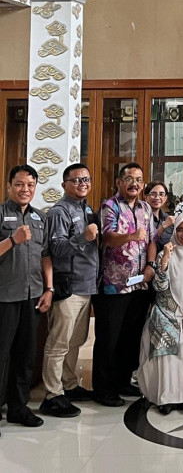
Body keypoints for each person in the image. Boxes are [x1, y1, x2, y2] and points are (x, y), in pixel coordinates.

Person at [93, 162, 157, 407]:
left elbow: (152, 240)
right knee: (109, 338)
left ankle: (122, 381)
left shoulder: (145, 207)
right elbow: (107, 238)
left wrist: (150, 265)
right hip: (114, 285)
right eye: (129, 179)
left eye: (138, 180)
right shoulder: (109, 206)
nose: (134, 183)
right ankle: (103, 389)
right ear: (119, 182)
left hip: (140, 284)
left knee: (131, 337)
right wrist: (130, 236)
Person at [137, 214, 183, 415]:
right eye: (180, 229)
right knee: (166, 334)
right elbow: (160, 288)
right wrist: (164, 262)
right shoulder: (166, 253)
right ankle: (166, 397)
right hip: (167, 310)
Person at [40, 164, 99, 419]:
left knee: (76, 340)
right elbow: (56, 249)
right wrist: (83, 237)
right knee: (59, 343)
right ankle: (52, 395)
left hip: (87, 286)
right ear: (64, 184)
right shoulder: (59, 211)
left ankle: (70, 384)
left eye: (86, 179)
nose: (82, 184)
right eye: (76, 180)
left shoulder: (86, 208)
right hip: (68, 286)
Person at [0, 165, 53, 432]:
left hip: (33, 296)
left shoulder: (39, 217)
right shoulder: (1, 213)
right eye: (20, 184)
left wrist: (49, 289)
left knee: (25, 355)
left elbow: (45, 255)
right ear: (9, 185)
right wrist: (13, 239)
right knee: (1, 355)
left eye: (30, 185)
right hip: (5, 296)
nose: (25, 189)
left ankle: (18, 408)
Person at [144, 181, 174, 252]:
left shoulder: (168, 218)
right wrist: (163, 226)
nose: (157, 198)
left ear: (165, 198)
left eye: (161, 194)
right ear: (146, 197)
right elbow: (145, 241)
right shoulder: (141, 217)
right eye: (153, 194)